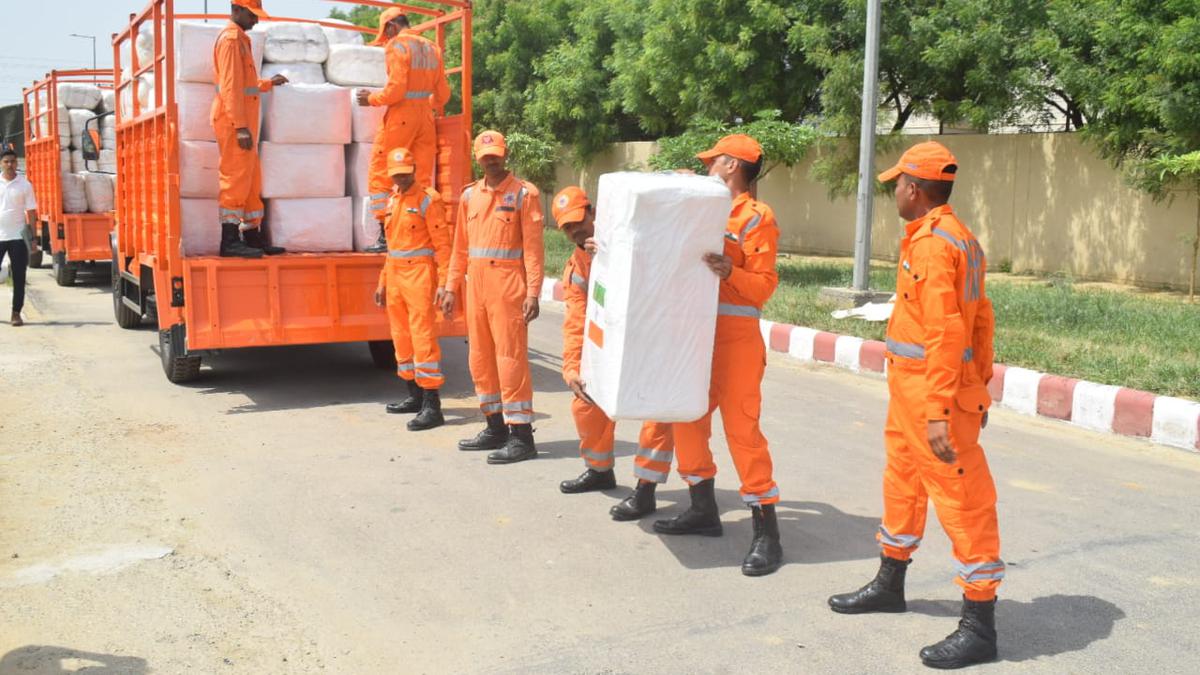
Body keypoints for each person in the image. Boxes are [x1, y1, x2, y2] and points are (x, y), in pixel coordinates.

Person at [827, 141, 1002, 670]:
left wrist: (941, 410)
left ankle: (980, 625)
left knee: (962, 501)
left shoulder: (933, 244)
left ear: (915, 189)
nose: (894, 193)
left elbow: (949, 333)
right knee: (902, 484)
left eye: (897, 184)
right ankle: (890, 582)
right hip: (916, 392)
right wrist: (980, 383)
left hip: (933, 394)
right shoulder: (955, 238)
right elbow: (982, 320)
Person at [651, 134, 784, 577]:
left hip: (735, 339)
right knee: (686, 418)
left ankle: (767, 531)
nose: (707, 167)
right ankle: (702, 508)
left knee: (743, 432)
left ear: (731, 165)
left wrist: (733, 271)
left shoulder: (755, 218)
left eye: (712, 162)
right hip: (693, 335)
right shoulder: (700, 207)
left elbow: (764, 285)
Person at [549, 186, 677, 507]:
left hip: (647, 337)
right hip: (605, 345)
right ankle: (599, 469)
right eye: (567, 227)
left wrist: (608, 256)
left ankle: (646, 489)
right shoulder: (577, 266)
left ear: (594, 212)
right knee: (585, 403)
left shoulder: (627, 241)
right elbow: (575, 320)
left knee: (655, 410)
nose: (576, 230)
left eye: (580, 220)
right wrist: (571, 367)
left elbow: (649, 280)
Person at [442, 131, 544, 465]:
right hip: (477, 285)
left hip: (508, 284)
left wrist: (533, 292)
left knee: (510, 359)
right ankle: (494, 426)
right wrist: (450, 286)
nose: (492, 160)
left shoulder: (523, 194)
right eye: (486, 155)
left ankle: (521, 436)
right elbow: (460, 247)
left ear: (506, 154)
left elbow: (533, 249)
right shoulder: (470, 196)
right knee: (481, 358)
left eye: (496, 154)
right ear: (477, 157)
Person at [356, 8, 451, 253]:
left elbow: (396, 90)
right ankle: (417, 234)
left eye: (385, 34)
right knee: (419, 177)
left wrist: (372, 99)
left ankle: (385, 236)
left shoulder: (397, 46)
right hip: (425, 119)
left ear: (390, 27)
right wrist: (424, 106)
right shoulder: (433, 48)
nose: (386, 40)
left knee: (383, 170)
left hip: (401, 118)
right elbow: (443, 95)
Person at [373, 147, 451, 431]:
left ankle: (433, 405)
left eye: (405, 174)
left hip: (419, 275)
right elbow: (392, 248)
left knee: (422, 337)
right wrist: (382, 282)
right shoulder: (393, 201)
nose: (401, 180)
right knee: (401, 337)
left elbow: (443, 245)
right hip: (395, 276)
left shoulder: (428, 200)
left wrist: (445, 283)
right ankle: (414, 396)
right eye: (396, 176)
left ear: (414, 170)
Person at [211, 0, 288, 258]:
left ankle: (253, 236)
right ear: (236, 10)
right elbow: (231, 88)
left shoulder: (242, 39)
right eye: (252, 15)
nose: (256, 20)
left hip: (243, 123)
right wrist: (240, 127)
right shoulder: (231, 40)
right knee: (235, 178)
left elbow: (246, 84)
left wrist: (267, 83)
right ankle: (229, 240)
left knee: (251, 180)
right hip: (235, 123)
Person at [1, 148, 37, 327]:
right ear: (1, 163)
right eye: (6, 161)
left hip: (17, 237)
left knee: (19, 277)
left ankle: (16, 313)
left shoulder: (24, 185)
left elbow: (31, 212)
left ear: (16, 163)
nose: (9, 165)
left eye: (12, 162)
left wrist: (33, 238)